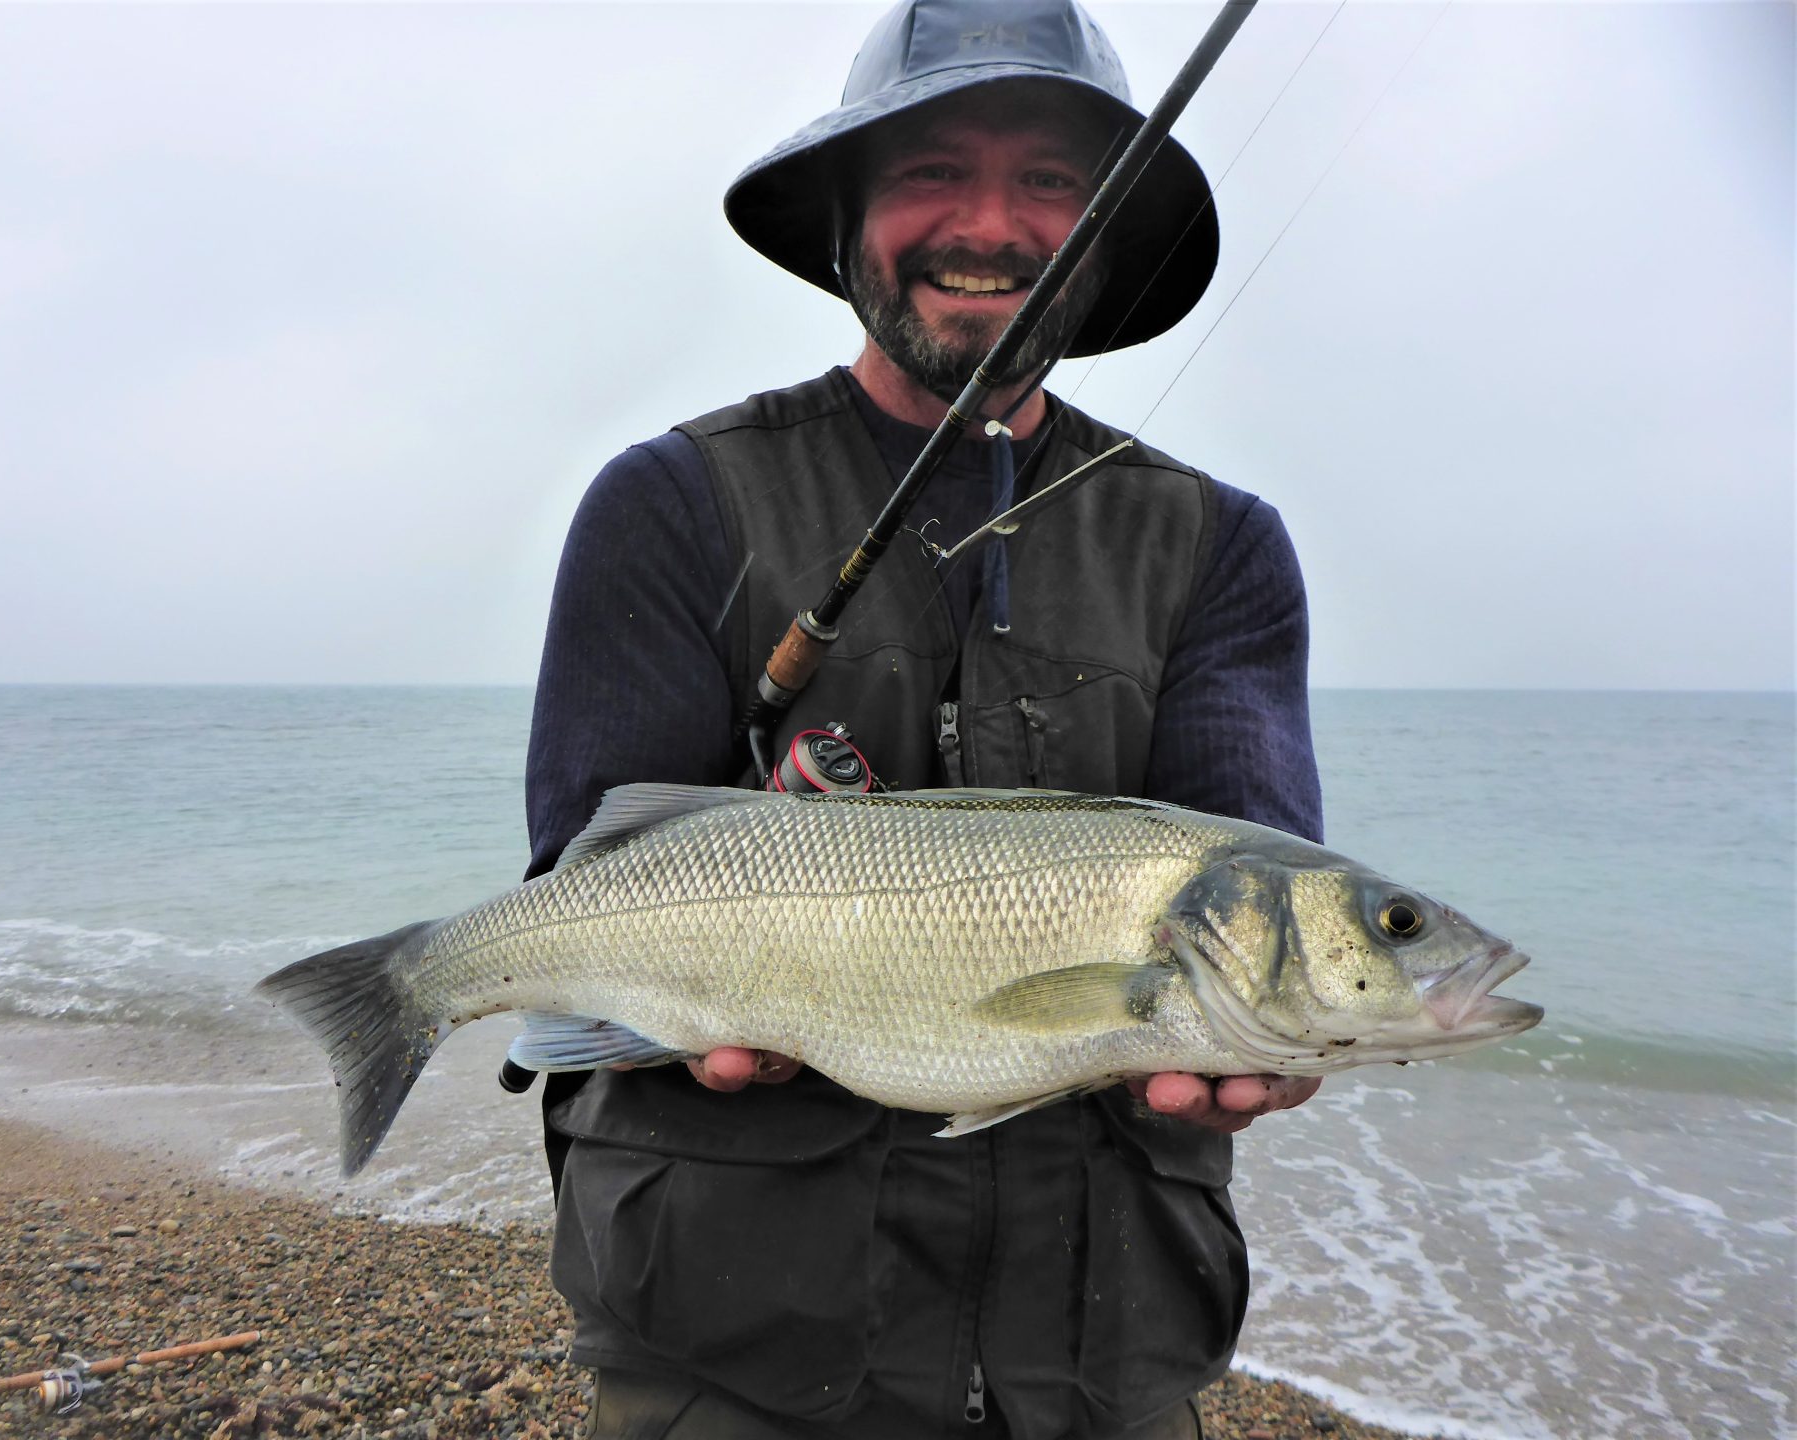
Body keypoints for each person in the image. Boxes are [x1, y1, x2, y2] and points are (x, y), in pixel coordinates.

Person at [517, 2, 1323, 1435]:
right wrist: (665, 1015)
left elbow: (1255, 878)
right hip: (728, 1343)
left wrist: (1269, 1036)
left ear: (1106, 231)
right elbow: (586, 893)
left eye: (1052, 183)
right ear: (845, 220)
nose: (994, 224)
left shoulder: (1222, 548)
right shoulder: (667, 505)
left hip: (1099, 1359)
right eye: (933, 170)